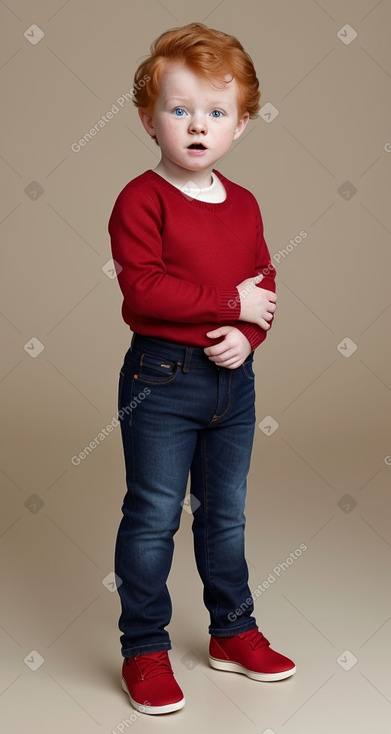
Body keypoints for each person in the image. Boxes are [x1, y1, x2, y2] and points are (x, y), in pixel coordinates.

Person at [108, 21, 295, 716]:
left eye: (215, 112)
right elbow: (142, 288)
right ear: (148, 119)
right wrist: (227, 301)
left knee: (225, 516)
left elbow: (264, 282)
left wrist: (246, 333)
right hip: (160, 381)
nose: (196, 125)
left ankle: (232, 631)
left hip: (231, 383)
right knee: (154, 515)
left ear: (239, 126)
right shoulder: (141, 199)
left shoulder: (242, 203)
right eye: (178, 109)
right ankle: (144, 649)